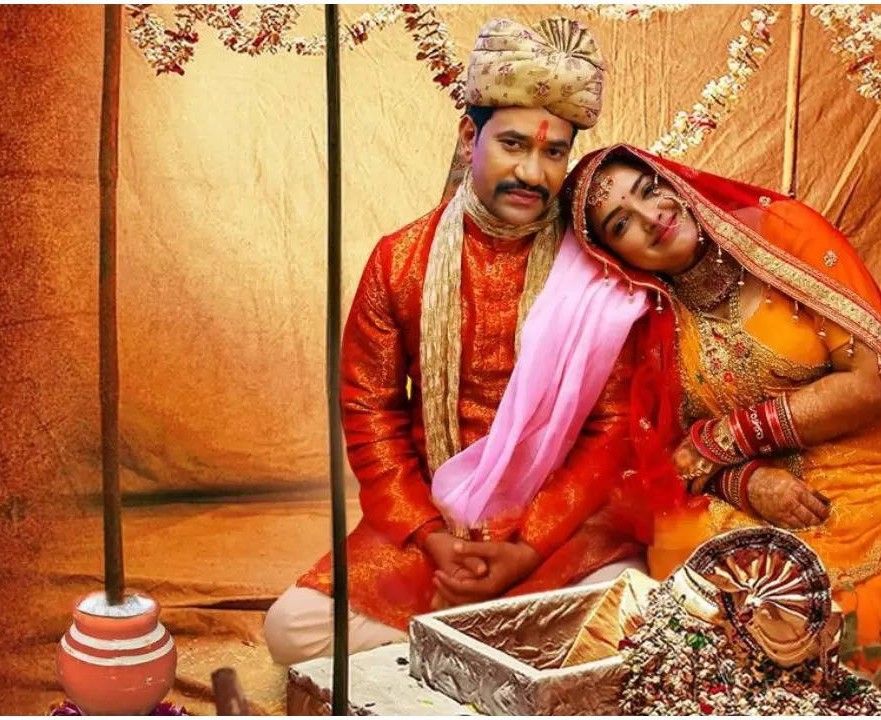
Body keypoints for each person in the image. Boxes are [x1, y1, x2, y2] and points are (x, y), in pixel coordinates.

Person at [558, 144, 881, 708]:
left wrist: (727, 439)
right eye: (622, 224)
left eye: (647, 189)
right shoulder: (642, 316)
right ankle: (818, 687)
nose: (650, 216)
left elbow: (871, 382)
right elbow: (665, 459)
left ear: (673, 180)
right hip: (743, 505)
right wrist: (746, 482)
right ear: (615, 255)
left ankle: (835, 690)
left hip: (872, 472)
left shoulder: (783, 236)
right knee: (755, 614)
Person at [262, 18, 646, 667]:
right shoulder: (400, 261)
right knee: (292, 629)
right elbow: (370, 413)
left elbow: (611, 429)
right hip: (432, 527)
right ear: (471, 136)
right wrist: (434, 538)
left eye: (554, 153)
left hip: (560, 529)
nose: (533, 170)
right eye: (515, 144)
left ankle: (461, 653)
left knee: (632, 611)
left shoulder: (595, 268)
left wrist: (525, 547)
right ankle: (505, 651)